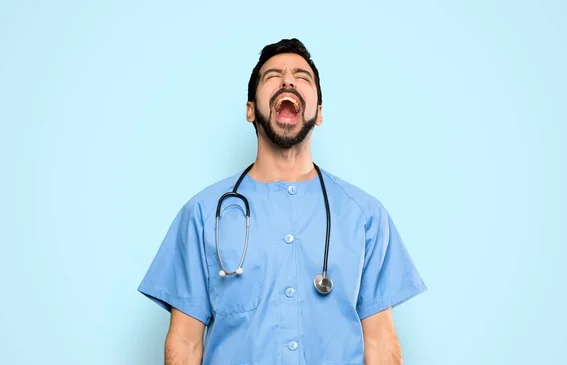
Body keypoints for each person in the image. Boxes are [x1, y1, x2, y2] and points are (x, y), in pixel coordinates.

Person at [138, 38, 427, 365]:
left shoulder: (365, 216)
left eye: (302, 77)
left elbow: (379, 340)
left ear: (318, 113)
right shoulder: (203, 215)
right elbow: (185, 342)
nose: (288, 80)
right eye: (273, 75)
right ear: (250, 110)